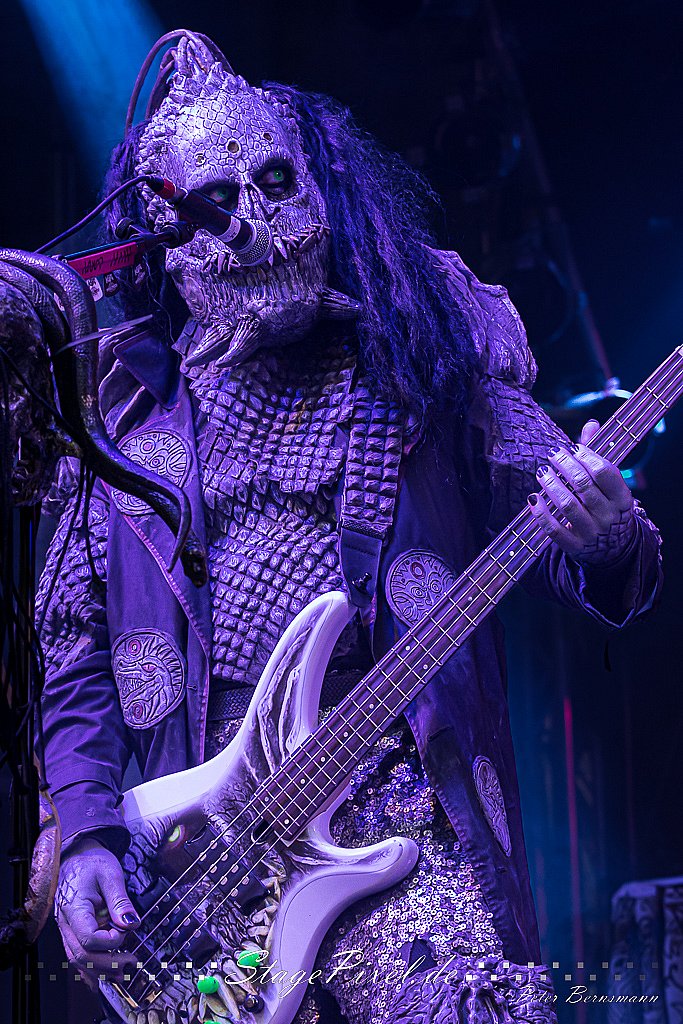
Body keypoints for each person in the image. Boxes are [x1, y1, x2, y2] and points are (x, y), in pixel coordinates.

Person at [37, 29, 662, 1024]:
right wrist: (86, 837)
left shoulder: (424, 356)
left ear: (321, 187)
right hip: (206, 856)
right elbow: (72, 652)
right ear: (165, 235)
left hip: (400, 798)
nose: (256, 225)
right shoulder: (116, 416)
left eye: (276, 183)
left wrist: (606, 533)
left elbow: (568, 513)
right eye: (215, 203)